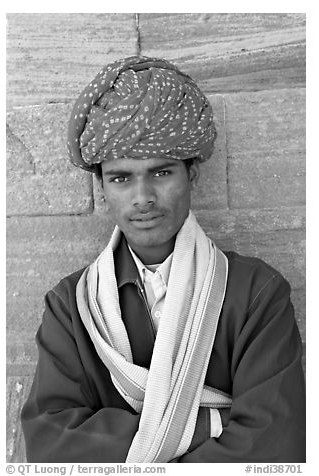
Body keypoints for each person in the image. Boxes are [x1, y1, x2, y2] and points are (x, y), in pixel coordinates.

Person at [21, 56, 306, 463]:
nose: (143, 198)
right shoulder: (70, 307)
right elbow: (50, 442)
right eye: (121, 178)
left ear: (192, 175)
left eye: (162, 172)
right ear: (101, 188)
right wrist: (211, 425)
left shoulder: (256, 293)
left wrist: (132, 440)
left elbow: (277, 441)